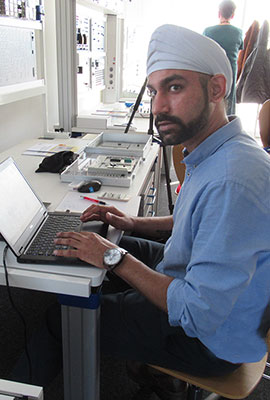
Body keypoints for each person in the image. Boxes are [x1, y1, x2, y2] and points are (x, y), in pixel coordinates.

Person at [11, 24, 270, 400]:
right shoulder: (221, 150)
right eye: (154, 91)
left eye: (175, 87)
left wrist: (114, 257)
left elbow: (197, 311)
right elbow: (194, 220)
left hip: (210, 339)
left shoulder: (232, 180)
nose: (159, 106)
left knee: (61, 319)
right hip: (203, 281)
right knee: (109, 244)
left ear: (216, 89)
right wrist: (131, 223)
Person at [203, 0, 243, 115]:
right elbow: (239, 51)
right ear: (233, 15)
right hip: (230, 73)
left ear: (219, 13)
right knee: (228, 105)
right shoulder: (238, 33)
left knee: (211, 100)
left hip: (212, 72)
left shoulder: (208, 31)